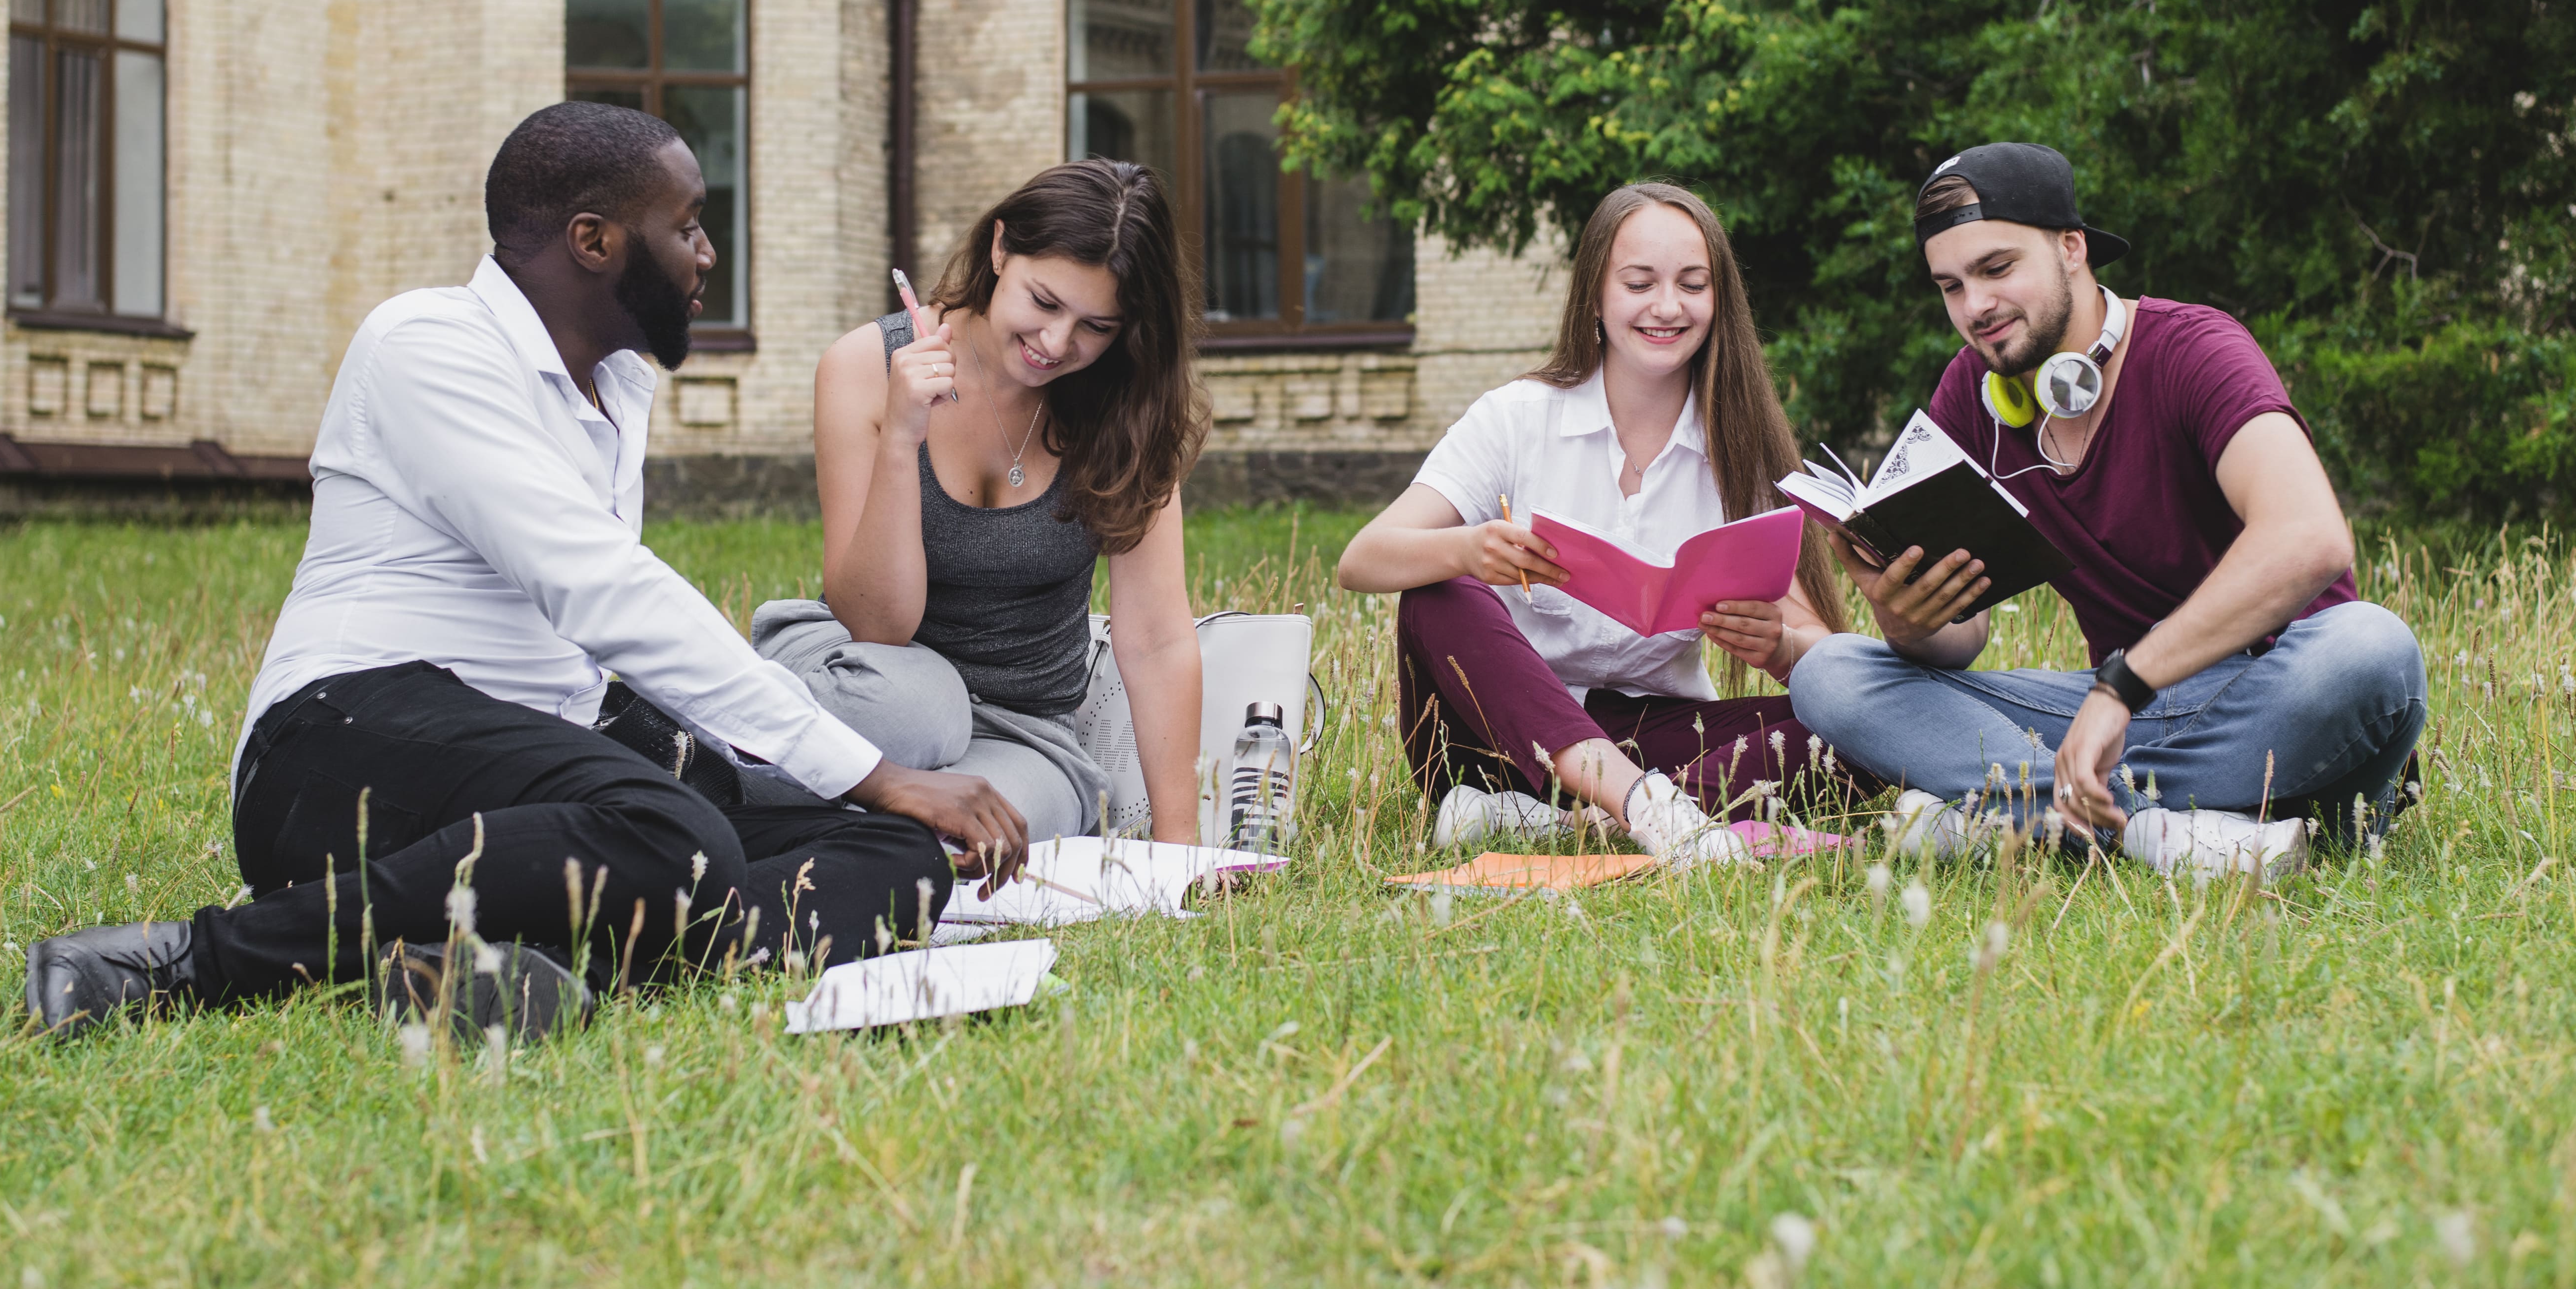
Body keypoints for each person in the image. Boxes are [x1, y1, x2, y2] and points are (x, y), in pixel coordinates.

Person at [22, 103, 1023, 1037]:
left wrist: (857, 791)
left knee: (891, 852)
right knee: (679, 838)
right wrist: (879, 769)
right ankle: (182, 962)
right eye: (686, 227)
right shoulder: (427, 345)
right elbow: (597, 586)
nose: (706, 254)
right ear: (594, 241)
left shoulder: (616, 385)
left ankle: (514, 963)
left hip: (533, 774)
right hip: (338, 751)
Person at [1788, 142, 2426, 880]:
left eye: (1997, 269)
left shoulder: (2196, 348)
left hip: (2272, 702)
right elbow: (1961, 643)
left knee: (2372, 647)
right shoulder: (1971, 395)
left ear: (2072, 248)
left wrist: (2121, 687)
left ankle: (2012, 813)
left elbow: (2310, 538)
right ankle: (2156, 832)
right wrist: (1905, 615)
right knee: (1831, 672)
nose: (1975, 307)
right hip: (2119, 723)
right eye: (1951, 286)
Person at [1336, 182, 1856, 871]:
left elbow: (1830, 661)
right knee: (1440, 592)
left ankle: (1571, 822)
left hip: (1654, 733)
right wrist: (1467, 548)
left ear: (1719, 301)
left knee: (1856, 724)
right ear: (1595, 296)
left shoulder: (1738, 452)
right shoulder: (1516, 418)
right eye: (1639, 284)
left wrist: (1781, 646)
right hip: (1498, 742)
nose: (1667, 307)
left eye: (1692, 285)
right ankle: (1649, 809)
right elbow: (1362, 559)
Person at [763, 159, 1210, 845]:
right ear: (1001, 248)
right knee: (920, 710)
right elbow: (875, 624)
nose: (1056, 344)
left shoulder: (1129, 408)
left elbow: (1156, 640)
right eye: (1045, 302)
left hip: (1020, 735)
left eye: (1097, 326)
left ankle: (808, 818)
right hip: (871, 682)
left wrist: (1183, 856)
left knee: (981, 843)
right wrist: (901, 439)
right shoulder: (863, 366)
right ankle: (731, 769)